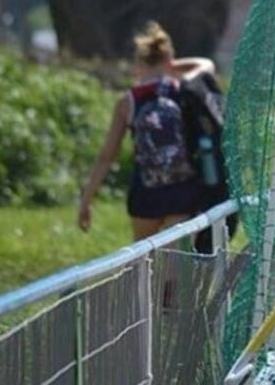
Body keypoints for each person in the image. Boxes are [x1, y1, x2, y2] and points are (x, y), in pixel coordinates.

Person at [78, 21, 216, 241]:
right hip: (182, 189)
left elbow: (107, 156)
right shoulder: (182, 89)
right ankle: (172, 277)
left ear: (138, 64)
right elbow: (207, 65)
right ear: (168, 59)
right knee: (177, 264)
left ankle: (146, 276)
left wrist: (87, 200)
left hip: (145, 192)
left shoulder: (128, 102)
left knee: (143, 261)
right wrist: (172, 65)